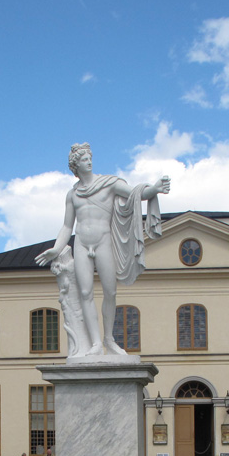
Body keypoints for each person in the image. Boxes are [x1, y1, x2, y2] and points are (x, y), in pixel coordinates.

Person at [35, 143, 171, 359]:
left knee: (110, 291)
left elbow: (136, 193)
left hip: (103, 241)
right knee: (85, 293)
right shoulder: (72, 195)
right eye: (84, 159)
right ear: (76, 165)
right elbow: (67, 226)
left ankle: (109, 339)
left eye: (90, 157)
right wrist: (57, 248)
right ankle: (96, 343)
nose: (89, 161)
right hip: (81, 244)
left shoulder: (109, 184)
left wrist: (154, 189)